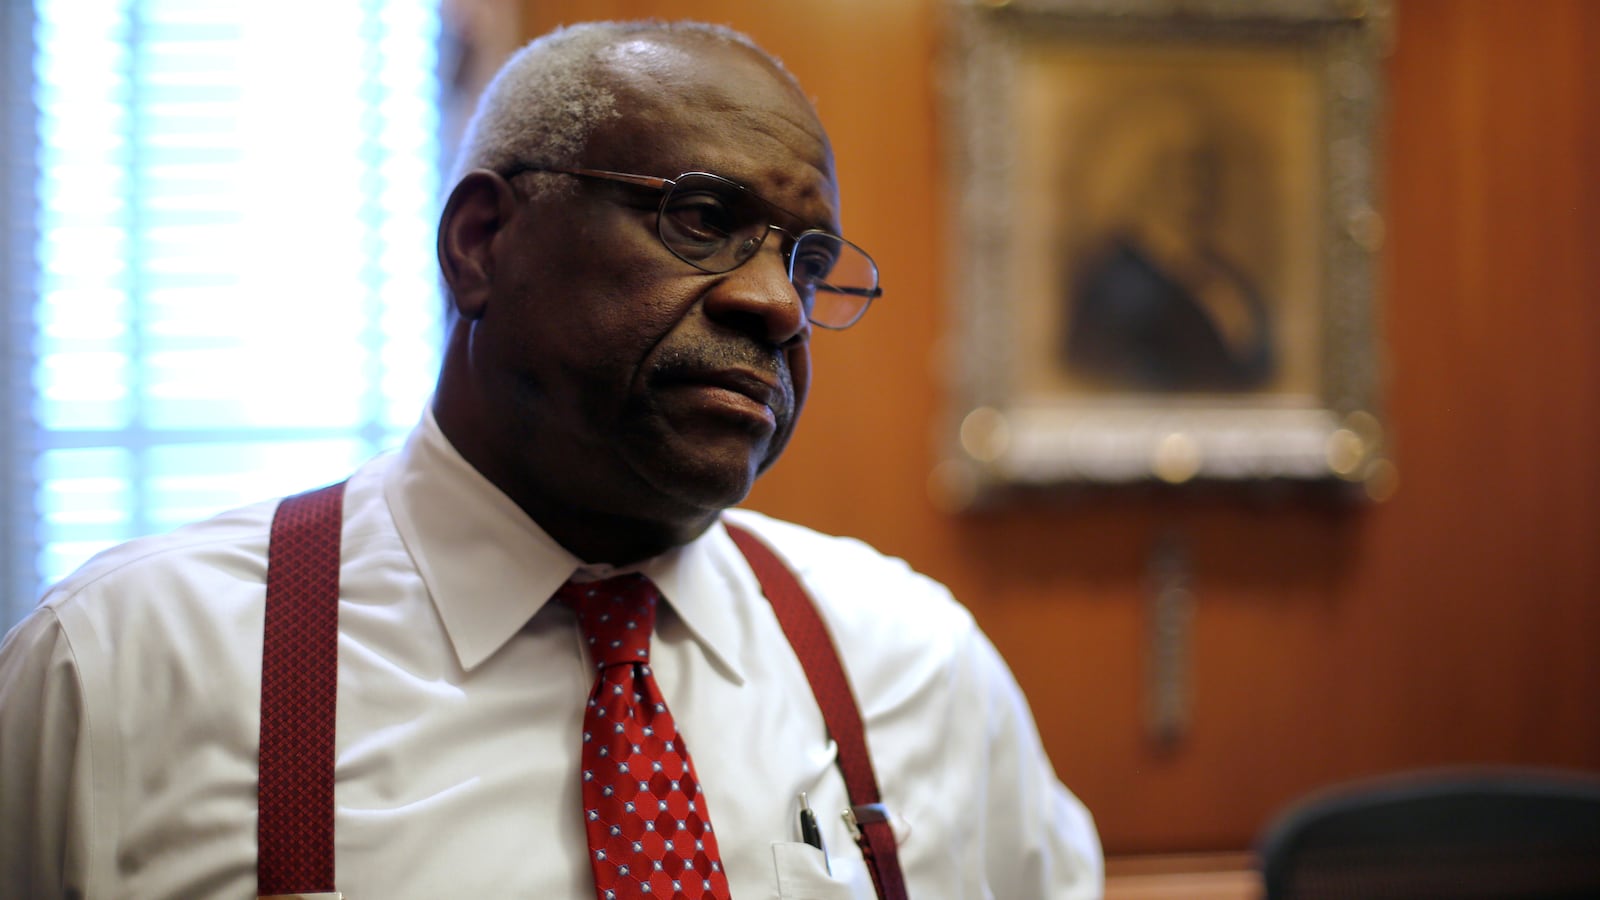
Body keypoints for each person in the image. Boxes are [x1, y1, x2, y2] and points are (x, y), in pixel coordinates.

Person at [0, 20, 1102, 899]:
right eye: (701, 219)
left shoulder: (910, 665)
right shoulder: (128, 666)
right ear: (481, 242)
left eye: (808, 265)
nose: (776, 304)